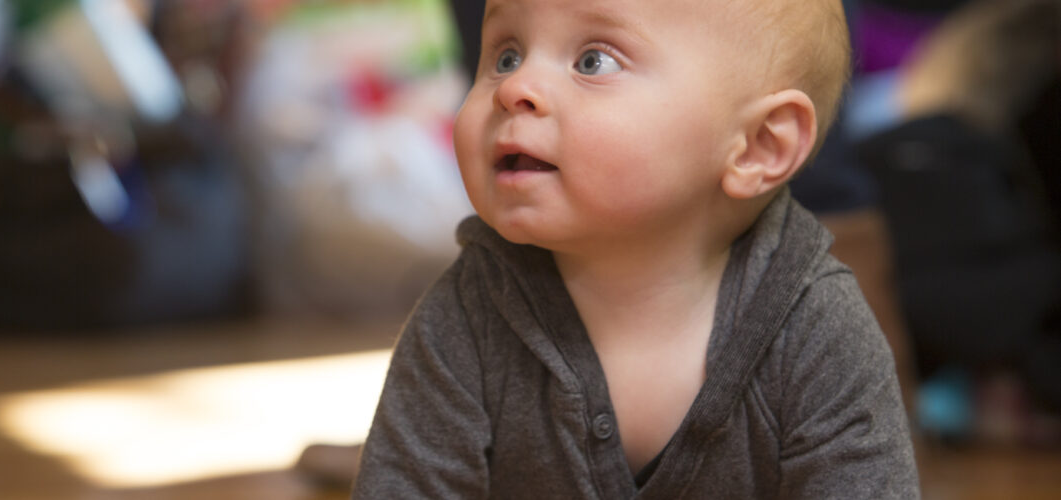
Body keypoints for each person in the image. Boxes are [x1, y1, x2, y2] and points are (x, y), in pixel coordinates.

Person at [353, 0, 919, 497]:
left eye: (593, 61)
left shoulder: (819, 332)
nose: (513, 88)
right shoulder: (470, 313)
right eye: (506, 54)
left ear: (758, 146)